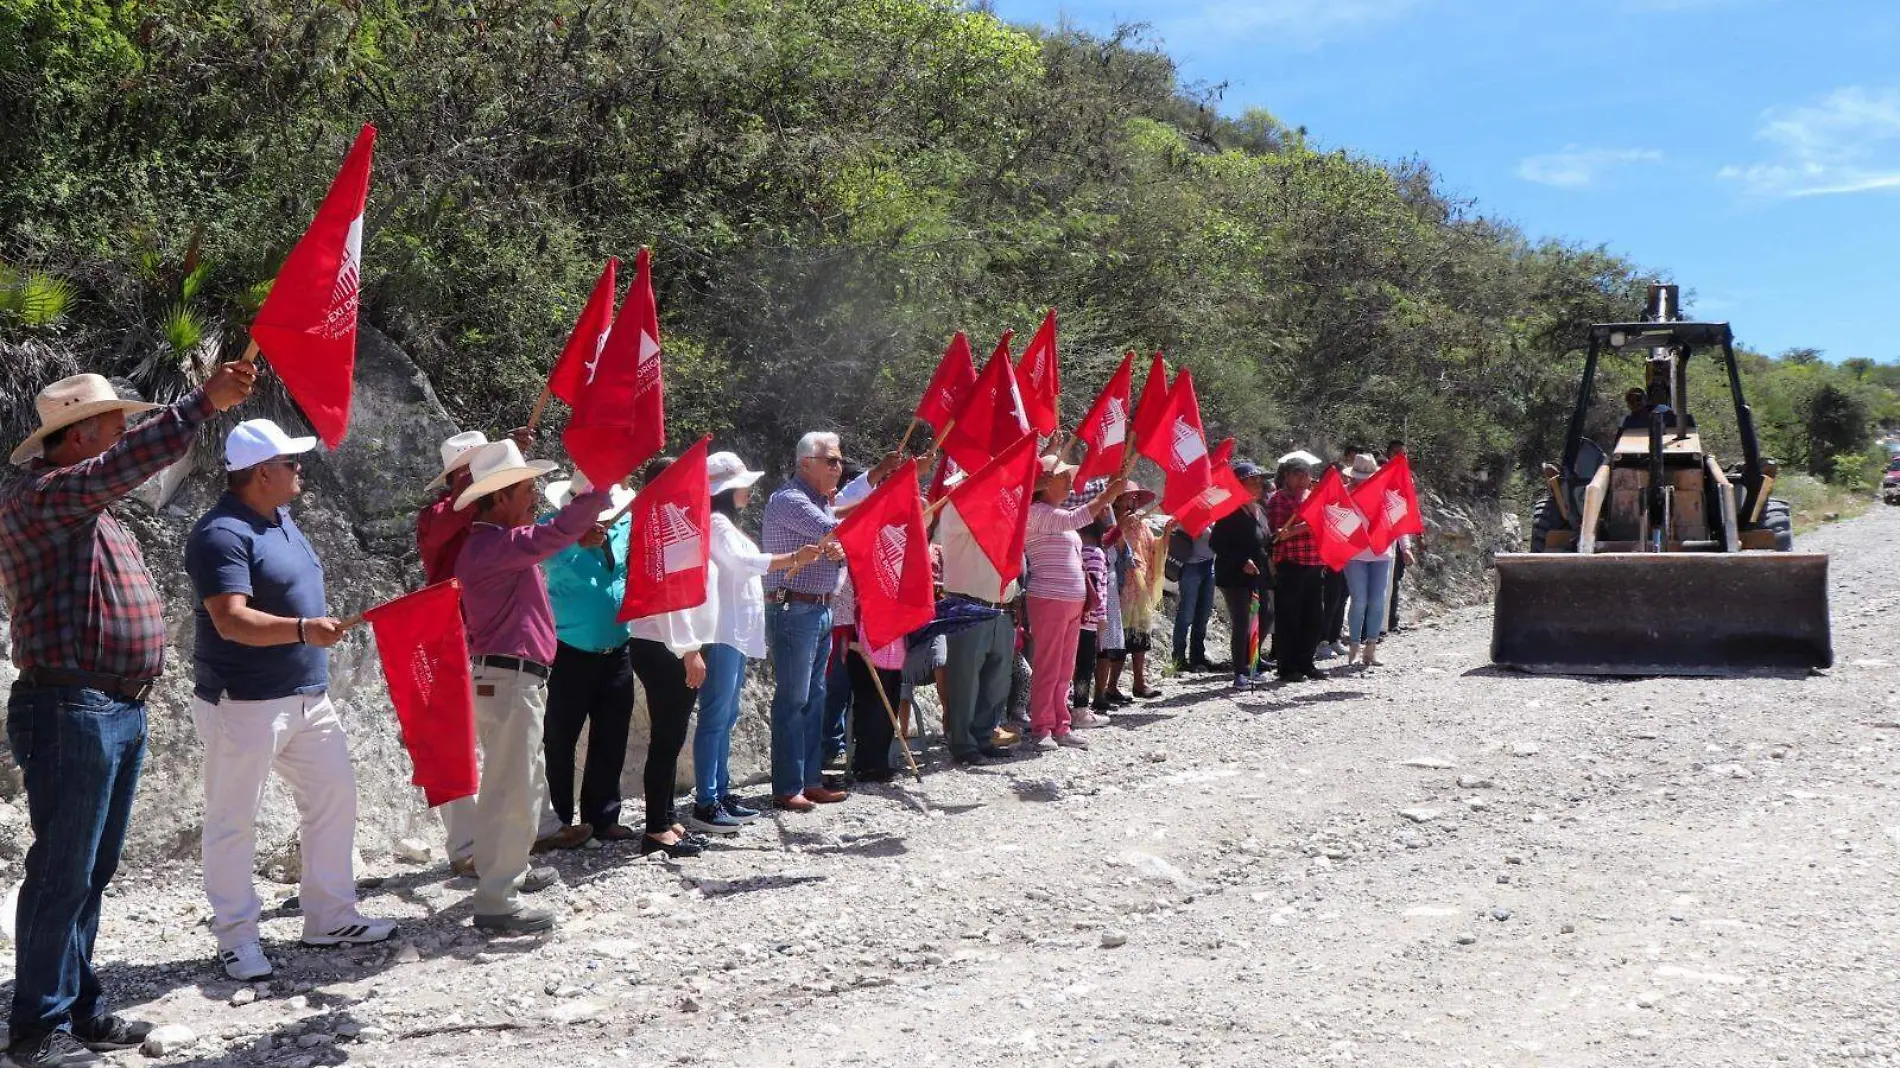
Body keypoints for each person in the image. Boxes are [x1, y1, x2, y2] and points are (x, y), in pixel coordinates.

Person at [3, 362, 255, 1068]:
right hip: (72, 706)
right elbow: (127, 462)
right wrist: (202, 402)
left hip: (102, 705)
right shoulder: (43, 497)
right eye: (115, 423)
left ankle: (76, 1009)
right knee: (65, 869)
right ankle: (37, 1027)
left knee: (91, 868)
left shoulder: (77, 504)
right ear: (79, 436)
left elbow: (118, 467)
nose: (124, 435)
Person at [184, 419, 398, 981]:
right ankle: (236, 939)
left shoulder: (280, 517)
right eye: (291, 463)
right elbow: (230, 620)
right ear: (261, 473)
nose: (300, 470)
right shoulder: (221, 534)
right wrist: (303, 630)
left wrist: (306, 639)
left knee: (334, 799)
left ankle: (329, 916)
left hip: (306, 696)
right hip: (245, 703)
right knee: (234, 821)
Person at [454, 440, 609, 933]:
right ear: (499, 497)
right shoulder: (495, 546)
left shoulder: (492, 546)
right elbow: (553, 531)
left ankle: (506, 876)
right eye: (526, 490)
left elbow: (549, 538)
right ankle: (497, 900)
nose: (533, 500)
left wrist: (574, 531)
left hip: (510, 680)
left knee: (517, 783)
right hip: (509, 680)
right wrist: (595, 491)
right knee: (512, 789)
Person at [415, 427, 531, 877]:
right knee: (452, 740)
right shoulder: (436, 515)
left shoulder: (492, 512)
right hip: (450, 635)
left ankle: (520, 834)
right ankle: (465, 845)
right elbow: (451, 519)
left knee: (512, 737)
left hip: (491, 633)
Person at [689, 452, 823, 835]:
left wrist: (794, 561)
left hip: (734, 631)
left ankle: (720, 791)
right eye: (742, 484)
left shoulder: (725, 523)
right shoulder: (716, 523)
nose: (748, 489)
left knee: (725, 715)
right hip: (722, 631)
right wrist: (793, 557)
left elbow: (749, 567)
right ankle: (707, 800)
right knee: (716, 716)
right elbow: (741, 563)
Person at [538, 476, 638, 846]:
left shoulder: (622, 523)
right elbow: (545, 559)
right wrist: (577, 541)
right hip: (569, 650)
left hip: (617, 646)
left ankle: (602, 816)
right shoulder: (551, 529)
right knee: (560, 739)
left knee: (612, 735)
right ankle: (559, 819)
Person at [760, 432, 852, 810]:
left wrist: (837, 545)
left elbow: (839, 547)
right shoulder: (790, 500)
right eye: (831, 460)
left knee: (814, 698)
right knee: (794, 698)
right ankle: (787, 785)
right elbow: (838, 539)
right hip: (795, 609)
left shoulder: (819, 503)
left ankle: (809, 779)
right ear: (806, 463)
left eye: (839, 459)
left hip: (817, 608)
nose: (838, 466)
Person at [1023, 456, 1121, 749]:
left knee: (1065, 667)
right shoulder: (1035, 512)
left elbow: (1074, 521)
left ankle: (1060, 725)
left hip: (1071, 601)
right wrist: (1106, 497)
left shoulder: (1056, 514)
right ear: (1045, 482)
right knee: (1048, 665)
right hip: (1049, 598)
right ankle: (1041, 727)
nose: (1070, 483)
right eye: (1063, 477)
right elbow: (1075, 518)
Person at [935, 468, 1023, 767]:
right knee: (966, 680)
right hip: (967, 604)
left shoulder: (994, 512)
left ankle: (983, 735)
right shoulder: (955, 510)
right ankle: (963, 742)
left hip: (1000, 607)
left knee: (997, 679)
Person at [1210, 461, 1274, 690]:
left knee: (1265, 616)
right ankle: (1240, 671)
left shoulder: (1260, 510)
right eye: (1252, 480)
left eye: (1259, 480)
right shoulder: (1229, 511)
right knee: (1242, 622)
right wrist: (1240, 561)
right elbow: (1216, 542)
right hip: (1234, 576)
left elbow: (1264, 539)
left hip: (1258, 575)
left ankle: (1252, 660)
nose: (1258, 484)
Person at [1266, 455, 1327, 684]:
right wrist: (1308, 524)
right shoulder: (1279, 500)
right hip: (1290, 564)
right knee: (1289, 617)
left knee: (1313, 618)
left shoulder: (1312, 499)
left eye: (1307, 473)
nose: (1304, 478)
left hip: (1313, 562)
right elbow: (1279, 533)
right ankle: (1287, 666)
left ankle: (1306, 662)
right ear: (1287, 476)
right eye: (1298, 473)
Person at [1341, 454, 1395, 667]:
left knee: (1377, 600)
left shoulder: (1384, 496)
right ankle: (1354, 644)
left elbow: (1397, 522)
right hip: (1354, 555)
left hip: (1381, 553)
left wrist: (1406, 547)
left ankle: (1371, 648)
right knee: (1359, 599)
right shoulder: (1343, 496)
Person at [1114, 482, 1163, 700]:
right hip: (1120, 588)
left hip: (1140, 589)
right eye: (1128, 497)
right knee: (1117, 641)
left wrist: (1167, 534)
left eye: (1134, 498)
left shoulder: (1142, 525)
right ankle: (1110, 686)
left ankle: (1139, 682)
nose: (1132, 502)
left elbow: (1153, 548)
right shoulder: (1111, 521)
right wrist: (1121, 528)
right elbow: (1108, 544)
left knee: (1141, 638)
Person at [1070, 518, 1109, 723]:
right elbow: (1097, 588)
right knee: (1085, 664)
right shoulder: (1096, 553)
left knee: (1068, 664)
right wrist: (1101, 617)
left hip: (1069, 616)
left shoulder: (1072, 550)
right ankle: (1080, 709)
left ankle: (1062, 707)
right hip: (1088, 619)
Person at [1169, 525, 1215, 671]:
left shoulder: (1211, 515)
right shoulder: (1189, 515)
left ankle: (1197, 656)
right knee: (1186, 613)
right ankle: (1179, 657)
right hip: (1190, 566)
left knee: (1203, 613)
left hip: (1208, 564)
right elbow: (1201, 533)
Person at [1384, 439, 1413, 635]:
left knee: (1395, 581)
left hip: (1399, 535)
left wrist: (1407, 545)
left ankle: (1392, 621)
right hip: (1383, 538)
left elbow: (1406, 514)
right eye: (1397, 453)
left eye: (1403, 453)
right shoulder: (1381, 476)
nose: (1400, 457)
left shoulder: (1407, 479)